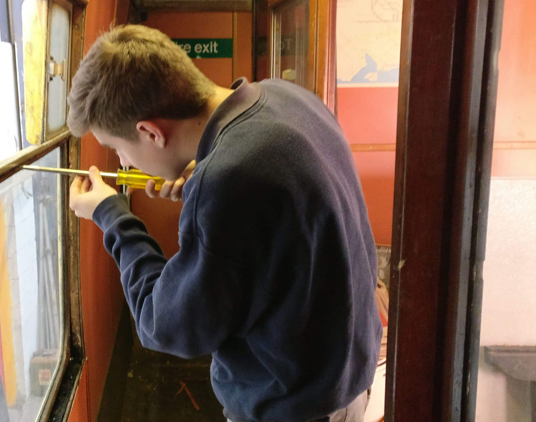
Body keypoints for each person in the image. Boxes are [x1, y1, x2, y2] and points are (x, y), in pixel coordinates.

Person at [67, 24, 382, 422]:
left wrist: (109, 214)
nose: (124, 163)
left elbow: (163, 325)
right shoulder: (286, 97)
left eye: (117, 148)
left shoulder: (230, 181)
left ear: (150, 132)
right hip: (344, 376)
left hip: (297, 408)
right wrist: (205, 175)